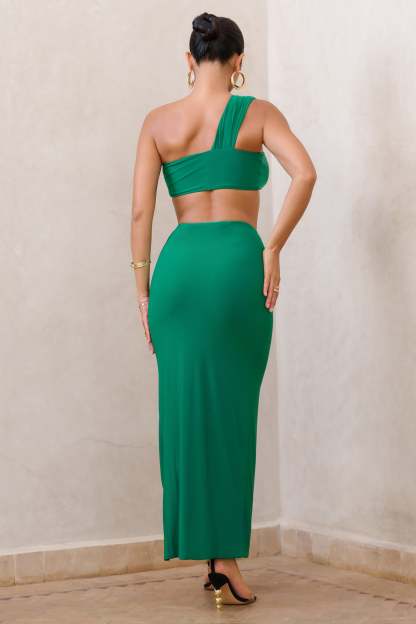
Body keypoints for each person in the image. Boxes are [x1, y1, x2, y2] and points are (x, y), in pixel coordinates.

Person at [130, 11, 317, 608]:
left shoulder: (158, 121)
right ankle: (225, 557)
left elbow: (141, 214)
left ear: (189, 60)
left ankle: (210, 553)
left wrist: (143, 289)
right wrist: (273, 246)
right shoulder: (257, 113)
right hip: (238, 266)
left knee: (186, 413)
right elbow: (305, 174)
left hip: (178, 273)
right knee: (232, 414)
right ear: (238, 62)